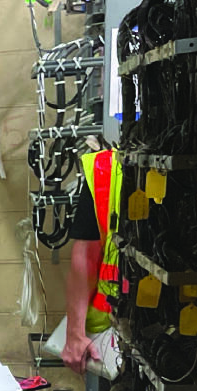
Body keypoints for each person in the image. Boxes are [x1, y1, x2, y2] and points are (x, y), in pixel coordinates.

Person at [62, 148, 122, 375]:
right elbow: (85, 256)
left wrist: (75, 333)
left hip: (117, 322)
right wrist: (75, 332)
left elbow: (85, 256)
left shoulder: (105, 167)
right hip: (112, 327)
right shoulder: (103, 168)